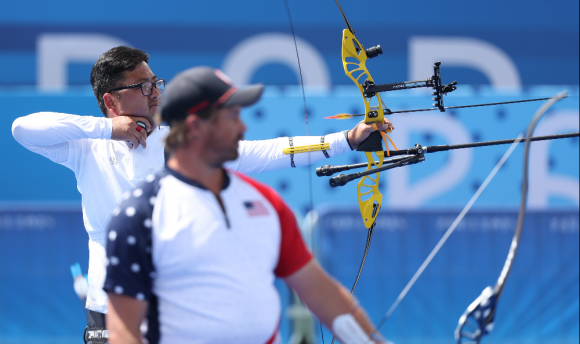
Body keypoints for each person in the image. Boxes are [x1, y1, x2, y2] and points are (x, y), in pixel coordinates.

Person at [11, 46, 393, 343]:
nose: (154, 93)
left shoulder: (190, 144)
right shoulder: (87, 146)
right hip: (110, 311)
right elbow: (22, 129)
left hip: (184, 311)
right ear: (111, 101)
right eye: (142, 87)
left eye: (155, 83)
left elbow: (264, 152)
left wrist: (344, 140)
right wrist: (109, 129)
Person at [104, 66, 389, 344]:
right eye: (232, 117)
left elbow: (322, 295)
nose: (243, 126)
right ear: (196, 127)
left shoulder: (268, 204)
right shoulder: (139, 215)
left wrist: (348, 140)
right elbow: (124, 332)